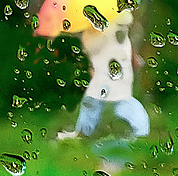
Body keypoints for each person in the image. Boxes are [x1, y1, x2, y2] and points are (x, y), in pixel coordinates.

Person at [57, 11, 150, 139]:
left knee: (119, 102)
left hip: (114, 76)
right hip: (108, 76)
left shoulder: (112, 34)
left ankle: (141, 129)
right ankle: (84, 132)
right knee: (95, 101)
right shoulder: (117, 35)